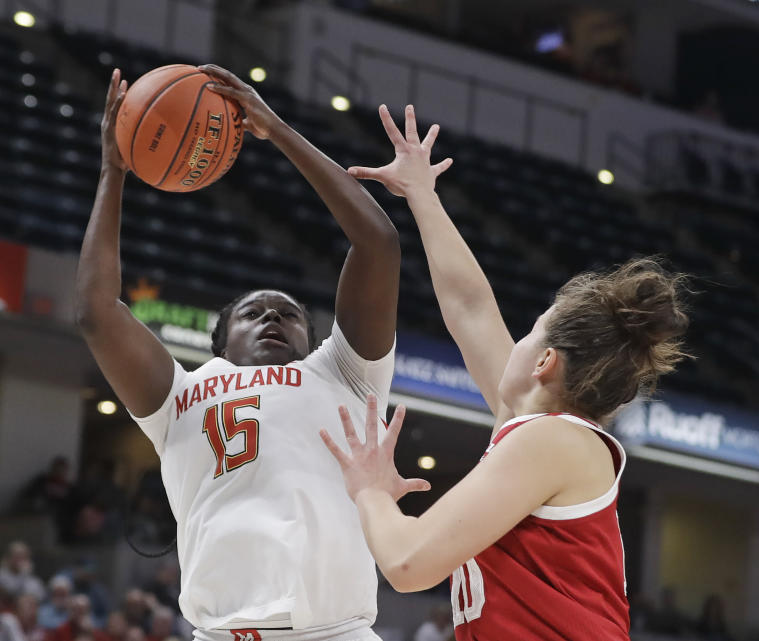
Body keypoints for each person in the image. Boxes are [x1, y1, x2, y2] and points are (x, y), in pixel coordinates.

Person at [320, 106, 689, 641]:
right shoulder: (533, 425)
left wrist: (370, 490)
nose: (512, 340)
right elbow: (470, 308)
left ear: (544, 362)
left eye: (531, 331)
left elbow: (406, 564)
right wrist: (422, 196)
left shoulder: (551, 441)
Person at [74, 65, 401, 640]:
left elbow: (377, 243)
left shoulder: (344, 372)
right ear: (220, 343)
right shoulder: (179, 395)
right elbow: (97, 313)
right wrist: (112, 170)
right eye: (254, 312)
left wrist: (275, 129)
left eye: (290, 313)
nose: (274, 316)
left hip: (337, 631)